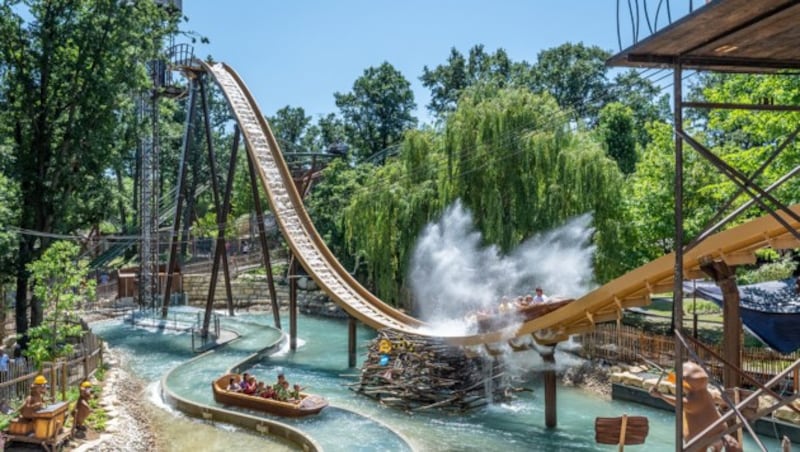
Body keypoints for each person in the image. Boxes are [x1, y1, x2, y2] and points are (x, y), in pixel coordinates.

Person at [649, 361, 741, 451]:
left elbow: (679, 402)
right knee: (726, 443)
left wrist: (661, 395)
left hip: (699, 437)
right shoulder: (707, 393)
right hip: (719, 430)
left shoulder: (694, 399)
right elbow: (683, 386)